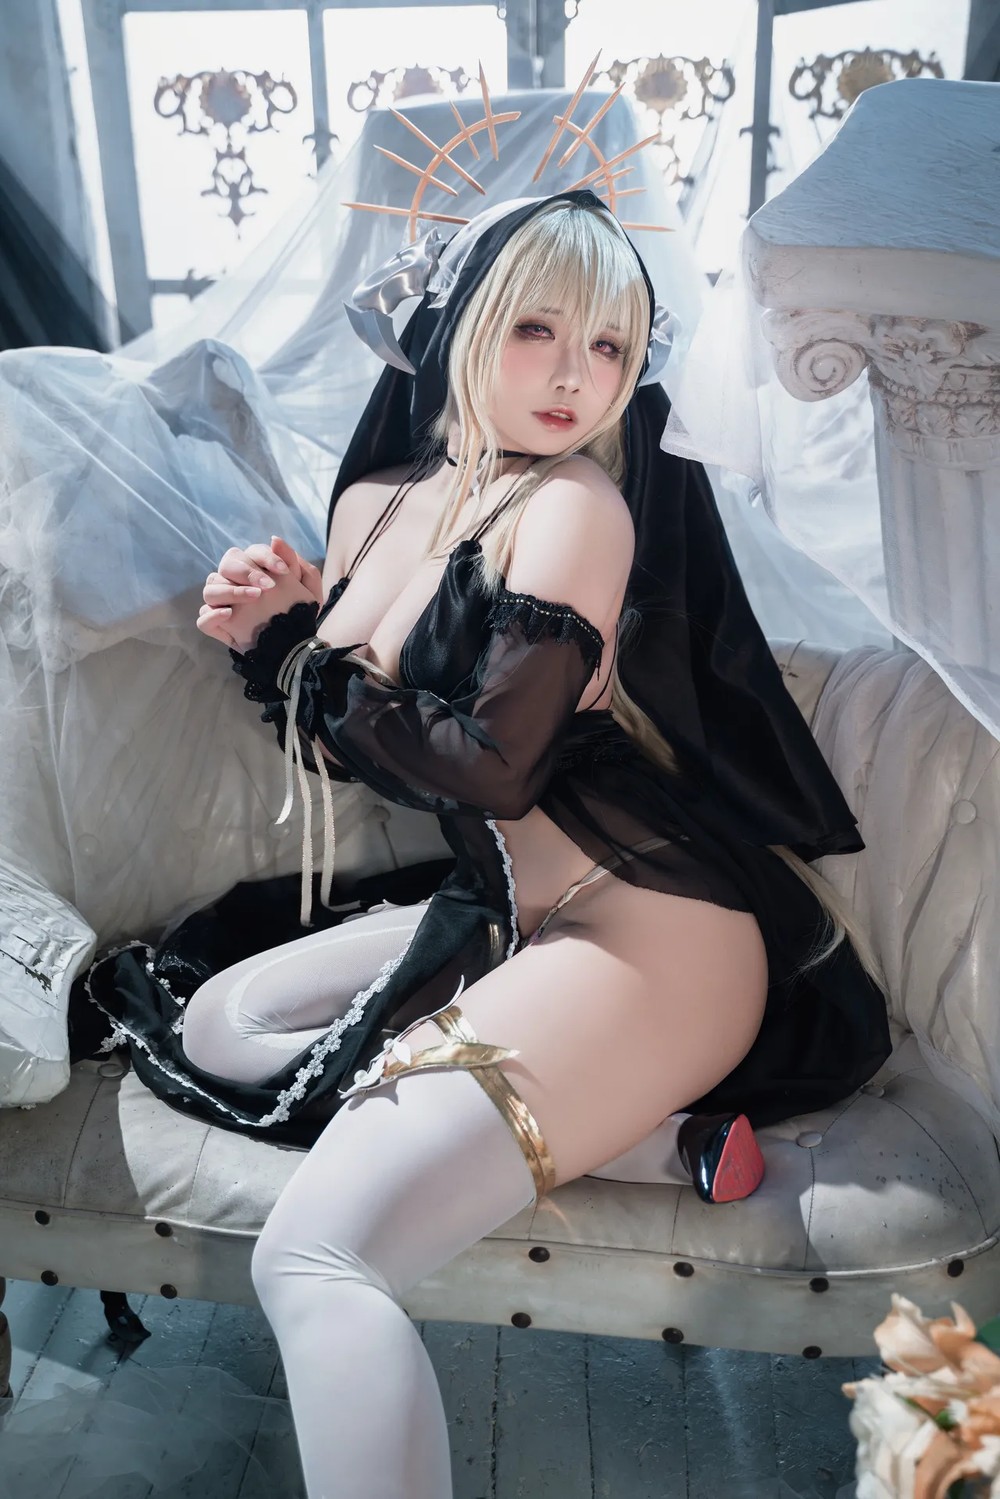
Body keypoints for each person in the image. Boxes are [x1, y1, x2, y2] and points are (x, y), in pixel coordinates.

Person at [115, 188, 889, 1499]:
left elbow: (493, 763)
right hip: (515, 916)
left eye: (609, 346)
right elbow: (345, 740)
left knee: (312, 1257)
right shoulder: (376, 502)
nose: (577, 376)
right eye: (537, 329)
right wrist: (276, 634)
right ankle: (663, 1140)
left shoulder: (577, 506)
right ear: (463, 323)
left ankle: (632, 1096)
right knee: (220, 1028)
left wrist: (301, 653)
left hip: (657, 937)